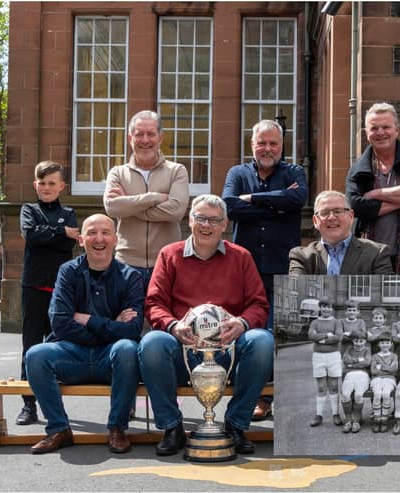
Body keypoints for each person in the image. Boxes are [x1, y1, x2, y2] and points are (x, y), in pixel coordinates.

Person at [138, 194, 273, 456]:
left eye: (214, 220)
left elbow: (259, 305)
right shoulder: (170, 255)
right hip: (183, 349)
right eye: (200, 218)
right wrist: (173, 326)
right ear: (189, 220)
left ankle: (236, 425)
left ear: (225, 225)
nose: (206, 225)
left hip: (227, 351)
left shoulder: (241, 257)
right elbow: (154, 303)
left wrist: (242, 323)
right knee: (152, 343)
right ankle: (171, 427)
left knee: (262, 340)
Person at [25, 214, 144, 454]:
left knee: (127, 349)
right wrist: (110, 326)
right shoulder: (67, 272)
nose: (98, 239)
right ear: (81, 240)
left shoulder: (131, 277)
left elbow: (132, 330)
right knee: (36, 355)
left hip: (110, 359)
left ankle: (117, 428)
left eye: (105, 233)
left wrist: (87, 319)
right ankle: (59, 429)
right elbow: (59, 323)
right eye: (91, 232)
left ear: (116, 239)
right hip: (72, 355)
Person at [222, 119, 307, 420]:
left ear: (281, 146)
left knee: (282, 337)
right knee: (254, 336)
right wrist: (277, 206)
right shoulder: (237, 173)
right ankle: (258, 398)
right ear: (252, 144)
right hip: (246, 271)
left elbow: (297, 198)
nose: (267, 148)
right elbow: (229, 207)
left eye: (273, 143)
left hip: (283, 268)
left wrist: (253, 199)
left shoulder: (294, 173)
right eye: (262, 143)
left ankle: (281, 398)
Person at [16, 161, 79, 426]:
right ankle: (28, 404)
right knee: (31, 346)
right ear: (35, 184)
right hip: (33, 287)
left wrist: (57, 235)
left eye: (52, 183)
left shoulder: (69, 211)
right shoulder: (28, 210)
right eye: (42, 183)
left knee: (56, 346)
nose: (46, 187)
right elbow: (31, 235)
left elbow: (68, 243)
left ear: (61, 186)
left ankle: (53, 403)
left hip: (61, 290)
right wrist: (61, 233)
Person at [104, 110, 190, 289]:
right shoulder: (117, 173)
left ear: (160, 137)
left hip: (167, 262)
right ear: (130, 138)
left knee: (162, 317)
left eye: (150, 134)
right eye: (139, 134)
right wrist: (155, 198)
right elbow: (112, 208)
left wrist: (128, 204)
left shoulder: (177, 171)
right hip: (126, 263)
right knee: (128, 316)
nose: (145, 140)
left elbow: (176, 211)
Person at [345, 102, 400, 273]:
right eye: (374, 128)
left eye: (386, 127)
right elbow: (356, 206)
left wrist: (375, 194)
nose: (380, 133)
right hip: (367, 255)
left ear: (396, 130)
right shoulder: (357, 169)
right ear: (367, 133)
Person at [289, 191, 393, 275]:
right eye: (325, 213)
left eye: (337, 211)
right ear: (315, 221)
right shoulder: (301, 257)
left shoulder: (376, 253)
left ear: (351, 216)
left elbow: (383, 296)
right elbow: (295, 294)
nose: (331, 217)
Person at [307, 297, 343, 427]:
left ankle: (335, 414)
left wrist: (320, 339)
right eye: (324, 306)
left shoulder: (336, 322)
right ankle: (319, 415)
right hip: (318, 357)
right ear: (320, 308)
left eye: (328, 307)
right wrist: (328, 335)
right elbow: (311, 336)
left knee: (333, 386)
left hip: (333, 356)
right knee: (321, 387)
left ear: (331, 309)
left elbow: (338, 338)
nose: (326, 309)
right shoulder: (315, 322)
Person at [340, 330, 371, 433]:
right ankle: (348, 420)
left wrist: (352, 363)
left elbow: (367, 362)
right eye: (356, 341)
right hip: (349, 374)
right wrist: (359, 360)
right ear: (353, 341)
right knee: (345, 395)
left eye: (361, 341)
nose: (358, 343)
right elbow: (345, 360)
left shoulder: (367, 349)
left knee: (358, 395)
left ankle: (356, 421)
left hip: (363, 375)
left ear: (365, 341)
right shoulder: (349, 349)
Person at [370, 332, 398, 433]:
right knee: (377, 393)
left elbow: (394, 370)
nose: (385, 345)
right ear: (378, 344)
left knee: (386, 393)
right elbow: (373, 371)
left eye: (387, 343)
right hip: (376, 379)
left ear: (391, 344)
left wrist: (380, 366)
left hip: (390, 379)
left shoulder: (394, 356)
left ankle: (384, 419)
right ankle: (377, 419)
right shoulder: (374, 356)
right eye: (382, 343)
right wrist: (388, 367)